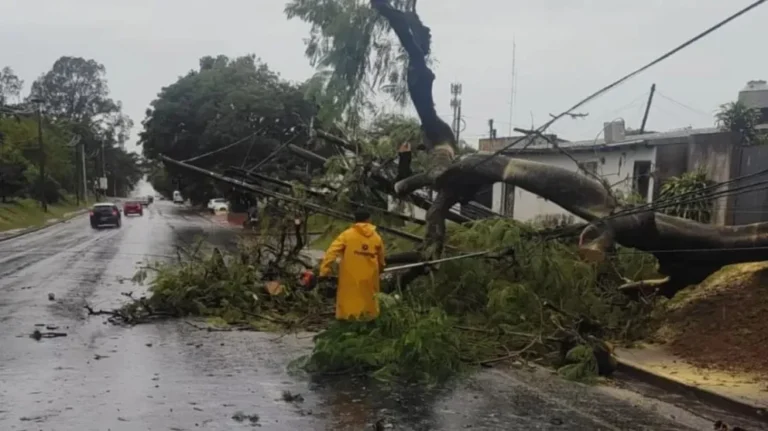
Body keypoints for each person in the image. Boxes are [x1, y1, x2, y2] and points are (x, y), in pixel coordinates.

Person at [318, 210, 386, 320]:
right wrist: (381, 269)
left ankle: (347, 322)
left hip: (350, 277)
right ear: (368, 220)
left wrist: (324, 269)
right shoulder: (376, 237)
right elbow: (381, 259)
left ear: (355, 220)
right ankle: (369, 322)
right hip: (370, 278)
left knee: (349, 303)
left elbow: (332, 252)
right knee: (369, 303)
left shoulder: (347, 235)